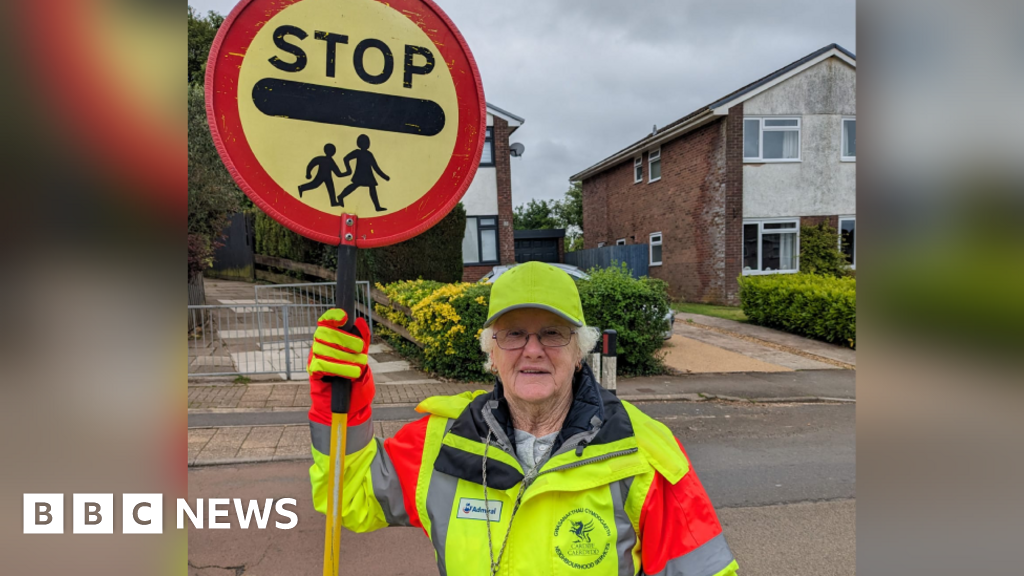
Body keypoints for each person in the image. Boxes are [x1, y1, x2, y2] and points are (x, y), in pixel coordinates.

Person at [307, 261, 738, 576]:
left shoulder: (642, 451)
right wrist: (339, 405)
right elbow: (350, 500)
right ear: (491, 353)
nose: (532, 350)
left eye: (552, 332)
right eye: (514, 333)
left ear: (579, 350)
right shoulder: (442, 442)